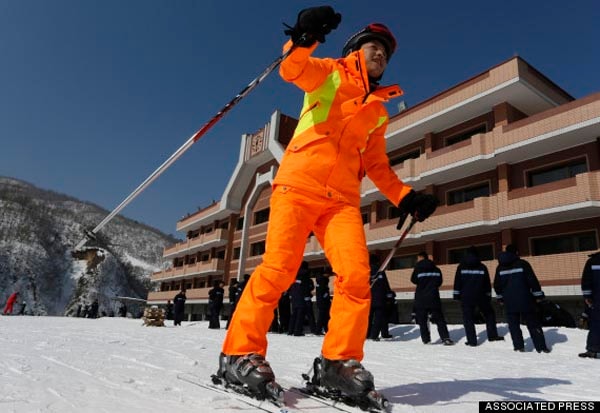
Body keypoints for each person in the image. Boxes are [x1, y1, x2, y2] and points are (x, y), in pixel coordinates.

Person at [216, 6, 438, 401]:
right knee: (279, 269)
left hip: (342, 203)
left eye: (386, 53)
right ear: (356, 49)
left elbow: (376, 165)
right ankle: (239, 352)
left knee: (356, 278)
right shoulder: (330, 72)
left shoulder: (379, 113)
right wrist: (303, 39)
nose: (381, 55)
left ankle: (338, 363)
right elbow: (293, 70)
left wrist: (406, 196)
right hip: (298, 185)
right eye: (375, 47)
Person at [493, 244, 550, 353]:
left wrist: (500, 299)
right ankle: (541, 347)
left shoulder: (500, 267)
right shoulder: (523, 264)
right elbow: (532, 281)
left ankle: (519, 347)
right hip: (526, 299)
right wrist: (539, 295)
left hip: (509, 301)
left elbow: (497, 285)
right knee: (533, 324)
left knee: (514, 326)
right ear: (516, 252)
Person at [453, 246, 504, 346]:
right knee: (489, 314)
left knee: (468, 318)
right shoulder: (482, 266)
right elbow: (487, 283)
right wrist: (488, 295)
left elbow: (457, 282)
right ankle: (492, 335)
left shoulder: (461, 266)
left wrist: (456, 295)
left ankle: (472, 341)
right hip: (481, 296)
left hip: (466, 297)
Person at [411, 252, 454, 345]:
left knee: (422, 320)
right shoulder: (436, 269)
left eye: (417, 258)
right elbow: (439, 282)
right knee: (439, 319)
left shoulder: (418, 269)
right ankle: (445, 338)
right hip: (434, 297)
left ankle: (426, 340)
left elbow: (413, 280)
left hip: (421, 298)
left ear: (420, 258)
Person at [579, 251, 600, 359]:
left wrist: (588, 297)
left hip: (597, 299)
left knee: (596, 324)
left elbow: (586, 281)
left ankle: (593, 350)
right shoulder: (592, 261)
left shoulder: (592, 261)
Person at [368, 255, 393, 341]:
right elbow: (385, 284)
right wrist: (389, 295)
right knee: (379, 317)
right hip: (380, 298)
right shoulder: (380, 271)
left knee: (368, 317)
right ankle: (374, 335)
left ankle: (367, 334)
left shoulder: (365, 271)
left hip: (368, 298)